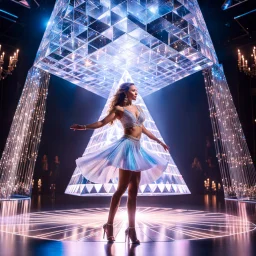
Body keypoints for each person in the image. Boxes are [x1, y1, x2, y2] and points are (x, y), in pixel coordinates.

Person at [70, 82, 169, 244]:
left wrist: (159, 142)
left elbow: (143, 129)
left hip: (138, 149)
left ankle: (131, 230)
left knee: (134, 193)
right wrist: (83, 127)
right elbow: (101, 123)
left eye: (137, 91)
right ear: (125, 92)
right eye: (133, 91)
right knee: (121, 189)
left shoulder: (138, 109)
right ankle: (109, 225)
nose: (136, 93)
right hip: (126, 148)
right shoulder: (119, 110)